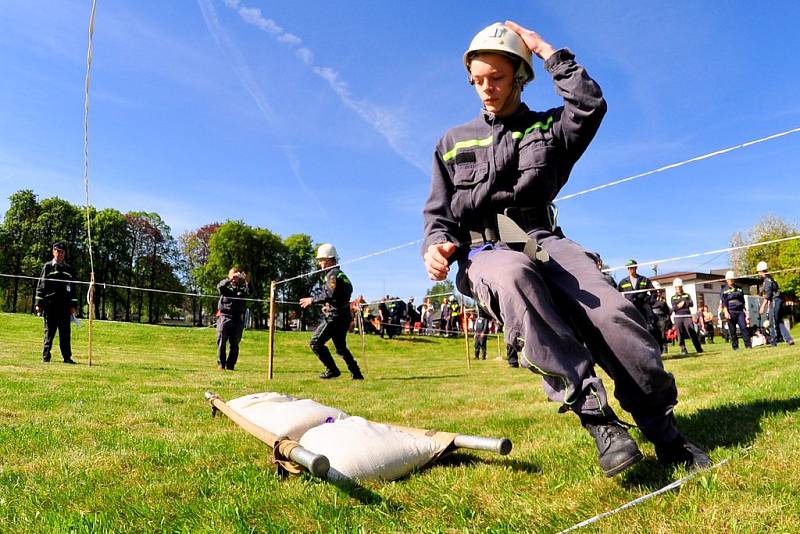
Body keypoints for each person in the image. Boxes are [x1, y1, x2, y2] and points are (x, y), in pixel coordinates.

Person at [422, 20, 710, 476]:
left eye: (496, 77)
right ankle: (598, 419)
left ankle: (663, 431)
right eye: (476, 80)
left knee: (612, 313)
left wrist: (546, 51)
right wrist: (436, 245)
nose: (485, 89)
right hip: (485, 251)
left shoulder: (549, 129)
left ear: (520, 75)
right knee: (513, 276)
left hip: (542, 240)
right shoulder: (451, 141)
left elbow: (589, 104)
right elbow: (439, 215)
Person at [300, 244, 364, 379]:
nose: (319, 263)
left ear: (329, 259)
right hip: (344, 315)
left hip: (335, 317)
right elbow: (342, 295)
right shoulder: (342, 275)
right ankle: (357, 373)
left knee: (315, 342)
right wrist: (330, 305)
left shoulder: (332, 275)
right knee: (341, 347)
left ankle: (332, 370)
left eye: (321, 259)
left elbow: (330, 294)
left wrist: (312, 300)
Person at [35, 242, 78, 364]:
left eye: (62, 252)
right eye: (58, 251)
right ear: (53, 252)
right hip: (50, 306)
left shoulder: (68, 269)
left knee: (65, 334)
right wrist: (39, 303)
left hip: (64, 307)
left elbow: (73, 289)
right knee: (49, 333)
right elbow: (40, 286)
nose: (60, 254)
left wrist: (73, 306)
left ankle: (67, 357)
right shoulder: (47, 267)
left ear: (65, 254)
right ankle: (46, 356)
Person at [215, 267, 251, 370]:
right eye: (233, 274)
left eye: (237, 275)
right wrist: (230, 279)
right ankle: (221, 364)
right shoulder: (225, 286)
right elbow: (220, 287)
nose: (235, 277)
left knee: (235, 344)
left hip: (237, 319)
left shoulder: (242, 288)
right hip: (224, 318)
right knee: (221, 341)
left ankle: (230, 365)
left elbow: (250, 292)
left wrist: (247, 281)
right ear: (229, 275)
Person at [617, 260, 659, 342]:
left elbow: (653, 292)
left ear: (636, 267)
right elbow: (617, 294)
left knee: (646, 327)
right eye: (628, 268)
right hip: (630, 309)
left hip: (642, 308)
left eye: (632, 267)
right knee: (631, 328)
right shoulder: (622, 282)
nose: (630, 269)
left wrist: (650, 302)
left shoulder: (644, 280)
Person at [757, 261, 795, 347]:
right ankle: (789, 339)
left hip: (775, 300)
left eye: (759, 272)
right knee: (779, 321)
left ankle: (773, 341)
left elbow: (768, 295)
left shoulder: (767, 280)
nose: (759, 274)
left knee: (772, 320)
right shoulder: (772, 279)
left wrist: (762, 307)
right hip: (779, 300)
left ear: (761, 271)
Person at [720, 270, 752, 351]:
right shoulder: (724, 290)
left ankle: (748, 345)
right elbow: (723, 303)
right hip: (730, 311)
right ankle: (735, 347)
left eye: (732, 279)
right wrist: (726, 312)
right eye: (729, 279)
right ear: (726, 280)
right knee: (732, 330)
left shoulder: (739, 289)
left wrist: (746, 311)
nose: (731, 281)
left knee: (743, 328)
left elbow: (743, 301)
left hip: (740, 311)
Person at [670, 278, 703, 356]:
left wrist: (684, 302)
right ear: (675, 288)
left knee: (692, 332)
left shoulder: (687, 295)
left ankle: (699, 348)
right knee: (680, 334)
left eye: (679, 287)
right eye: (677, 287)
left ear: (682, 287)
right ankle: (683, 349)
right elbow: (674, 308)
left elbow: (691, 304)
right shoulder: (673, 297)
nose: (678, 288)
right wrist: (678, 305)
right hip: (678, 317)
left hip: (687, 316)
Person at [650, 282, 672, 354]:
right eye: (657, 290)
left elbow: (668, 310)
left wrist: (668, 319)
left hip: (662, 319)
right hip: (653, 319)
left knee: (662, 335)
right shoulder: (650, 300)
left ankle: (664, 349)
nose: (658, 292)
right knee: (655, 335)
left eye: (659, 290)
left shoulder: (663, 300)